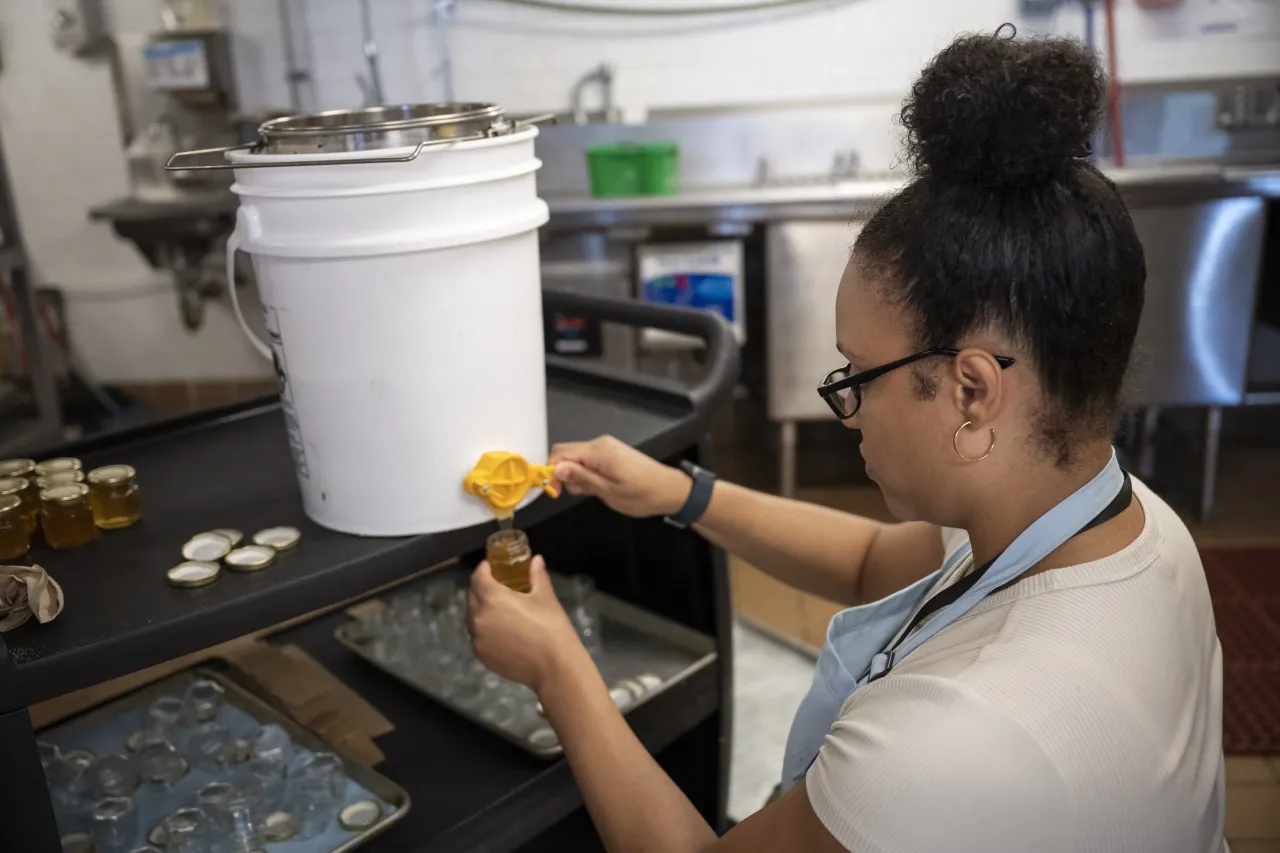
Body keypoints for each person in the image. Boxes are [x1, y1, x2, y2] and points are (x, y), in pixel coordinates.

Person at [466, 26, 1224, 853]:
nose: (850, 409)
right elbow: (873, 561)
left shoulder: (953, 740)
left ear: (972, 389)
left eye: (858, 374)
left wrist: (557, 667)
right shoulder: (1127, 526)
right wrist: (682, 493)